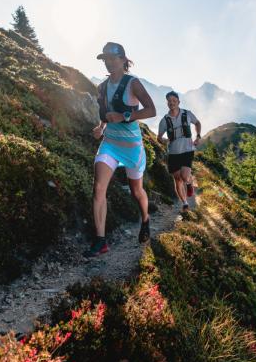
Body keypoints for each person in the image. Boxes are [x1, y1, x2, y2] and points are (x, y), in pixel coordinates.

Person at [85, 42, 157, 258]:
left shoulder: (132, 83)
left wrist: (125, 116)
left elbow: (151, 110)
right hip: (110, 144)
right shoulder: (102, 87)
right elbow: (104, 114)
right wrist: (100, 128)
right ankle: (101, 241)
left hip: (132, 147)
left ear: (123, 60)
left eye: (112, 58)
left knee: (137, 192)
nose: (108, 63)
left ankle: (145, 219)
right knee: (98, 188)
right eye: (105, 59)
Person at [157, 91, 201, 214]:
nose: (171, 103)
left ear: (178, 102)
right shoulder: (164, 120)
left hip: (187, 150)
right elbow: (159, 137)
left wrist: (198, 136)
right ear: (167, 103)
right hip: (173, 153)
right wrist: (163, 140)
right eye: (169, 101)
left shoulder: (187, 113)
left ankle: (189, 182)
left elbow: (197, 123)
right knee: (177, 179)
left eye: (174, 100)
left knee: (184, 176)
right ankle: (185, 203)